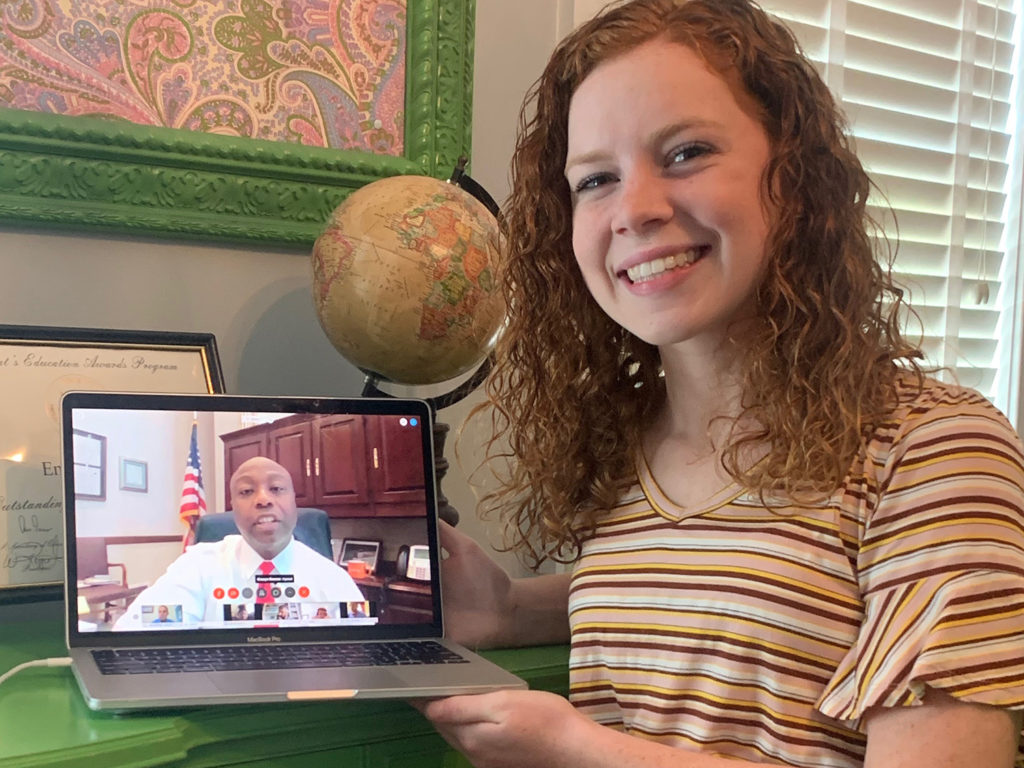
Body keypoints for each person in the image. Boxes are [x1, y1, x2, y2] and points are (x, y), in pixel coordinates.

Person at [417, 1, 1024, 766]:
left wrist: (580, 751)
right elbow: (708, 589)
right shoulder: (628, 440)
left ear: (794, 177)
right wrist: (509, 609)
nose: (635, 209)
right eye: (596, 179)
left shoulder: (936, 450)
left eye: (686, 152)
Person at [116, 456, 363, 627]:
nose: (263, 499)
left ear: (294, 504)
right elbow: (135, 627)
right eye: (246, 491)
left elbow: (360, 646)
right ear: (233, 508)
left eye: (276, 488)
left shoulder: (330, 576)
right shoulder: (198, 566)